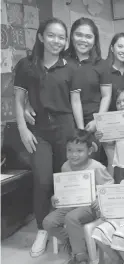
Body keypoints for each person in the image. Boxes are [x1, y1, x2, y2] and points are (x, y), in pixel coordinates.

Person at [14, 18, 78, 257]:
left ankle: (64, 225)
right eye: (51, 35)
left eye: (62, 37)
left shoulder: (70, 67)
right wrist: (22, 129)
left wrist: (79, 132)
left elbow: (74, 102)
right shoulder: (26, 65)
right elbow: (19, 100)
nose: (57, 41)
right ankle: (42, 228)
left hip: (65, 129)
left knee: (66, 181)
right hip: (37, 131)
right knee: (42, 180)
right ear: (41, 36)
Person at [42, 129, 113, 263]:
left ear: (89, 151)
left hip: (90, 207)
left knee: (71, 218)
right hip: (70, 205)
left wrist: (100, 198)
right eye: (70, 150)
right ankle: (75, 242)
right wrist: (55, 198)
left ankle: (80, 256)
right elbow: (63, 189)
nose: (74, 155)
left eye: (79, 151)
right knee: (48, 222)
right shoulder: (65, 166)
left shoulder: (96, 167)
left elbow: (110, 185)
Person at [66, 18, 112, 133]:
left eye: (88, 36)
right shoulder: (62, 60)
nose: (83, 40)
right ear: (71, 36)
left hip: (92, 123)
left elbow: (106, 96)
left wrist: (98, 121)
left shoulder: (102, 64)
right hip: (65, 122)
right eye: (79, 35)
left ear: (94, 39)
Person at [102, 33, 124, 176]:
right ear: (112, 48)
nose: (123, 51)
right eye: (120, 46)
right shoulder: (104, 70)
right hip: (110, 125)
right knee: (113, 163)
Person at [95, 89, 124, 183]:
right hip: (119, 163)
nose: (122, 105)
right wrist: (101, 136)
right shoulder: (115, 123)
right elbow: (111, 142)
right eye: (118, 103)